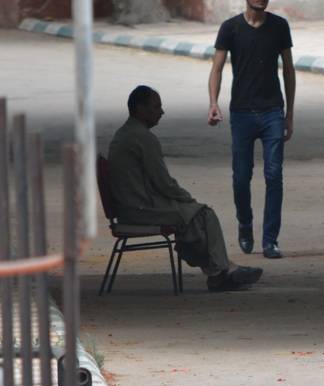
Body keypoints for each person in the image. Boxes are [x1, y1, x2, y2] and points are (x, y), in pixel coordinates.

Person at [108, 85, 262, 292]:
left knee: (195, 218)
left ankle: (222, 269)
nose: (161, 112)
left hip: (131, 206)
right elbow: (164, 183)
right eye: (156, 107)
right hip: (140, 210)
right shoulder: (142, 138)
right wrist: (187, 199)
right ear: (140, 109)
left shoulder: (125, 134)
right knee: (204, 215)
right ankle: (221, 272)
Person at [208, 0, 296, 260]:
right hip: (242, 113)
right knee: (241, 177)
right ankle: (245, 224)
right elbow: (217, 68)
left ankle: (270, 240)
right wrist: (213, 103)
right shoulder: (230, 28)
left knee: (274, 175)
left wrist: (289, 114)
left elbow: (289, 70)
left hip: (272, 111)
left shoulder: (279, 26)